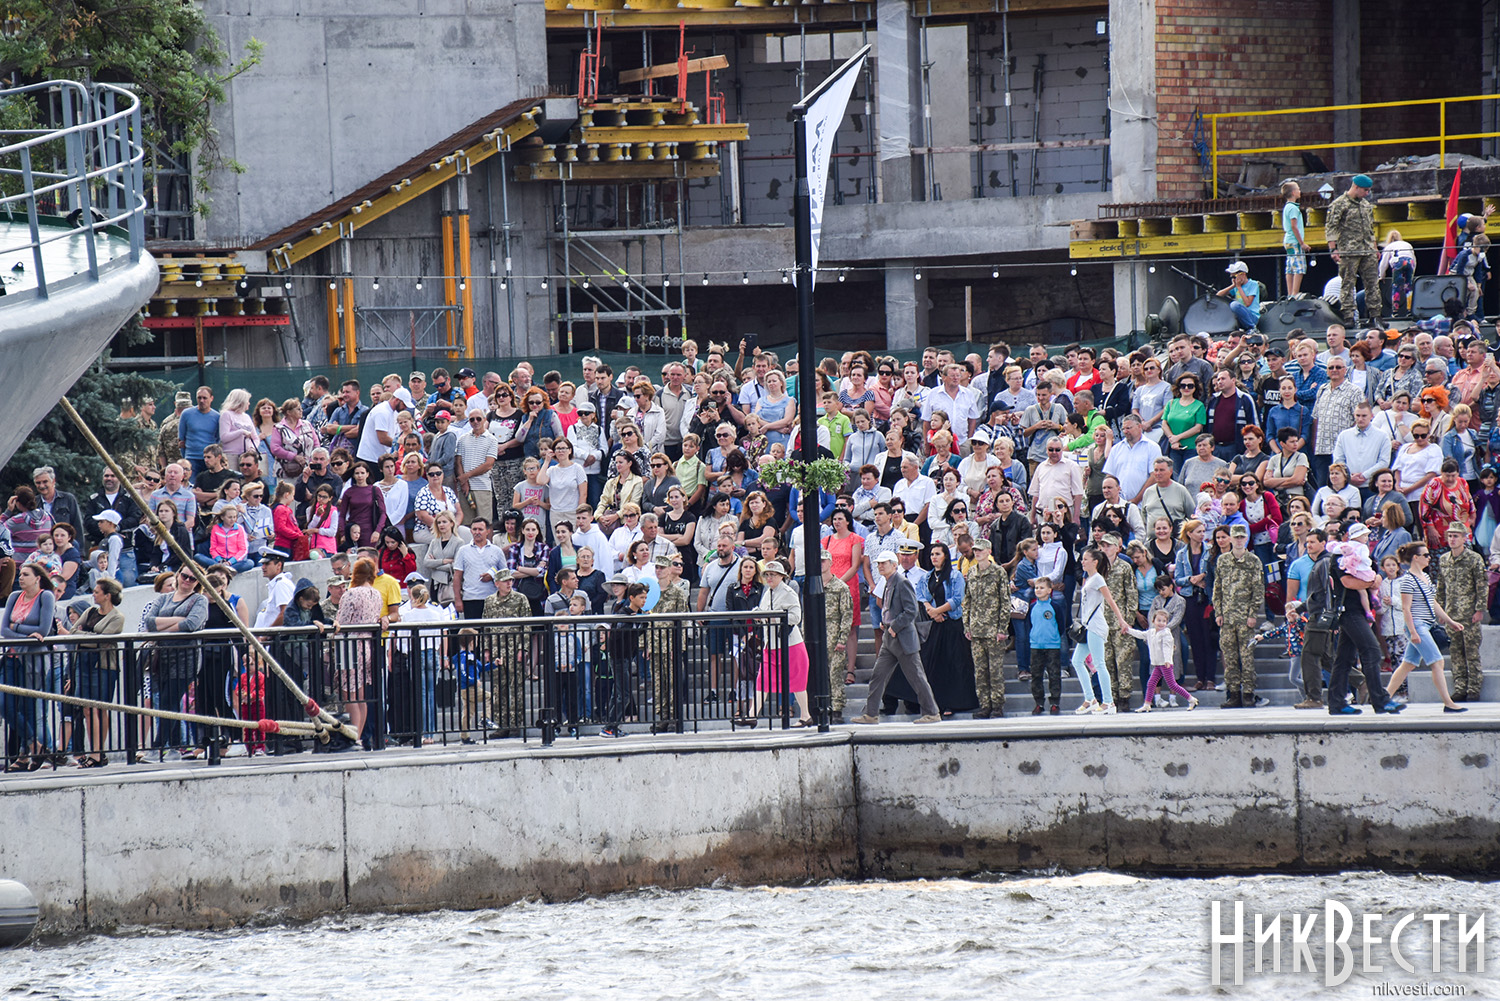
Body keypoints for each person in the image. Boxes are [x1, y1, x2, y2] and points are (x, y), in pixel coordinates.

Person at [851, 552, 941, 725]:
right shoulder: (888, 582)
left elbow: (911, 610)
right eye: (879, 563)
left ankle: (932, 712)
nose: (880, 566)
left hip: (903, 639)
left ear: (894, 564)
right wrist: (886, 624)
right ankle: (870, 714)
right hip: (890, 639)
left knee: (917, 677)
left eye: (884, 563)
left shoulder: (901, 582)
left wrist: (894, 626)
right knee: (878, 676)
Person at [1384, 542, 1467, 712]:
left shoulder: (1425, 577)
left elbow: (1432, 603)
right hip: (1417, 625)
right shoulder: (1408, 580)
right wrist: (1412, 631)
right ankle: (1448, 702)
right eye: (1426, 555)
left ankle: (1384, 699)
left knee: (1408, 664)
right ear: (1416, 558)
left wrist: (1450, 621)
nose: (1429, 558)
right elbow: (1406, 608)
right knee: (1437, 662)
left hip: (1426, 624)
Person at [0, 563, 57, 771]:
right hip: (12, 657)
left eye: (25, 574)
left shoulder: (45, 596)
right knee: (4, 703)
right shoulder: (15, 596)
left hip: (33, 659)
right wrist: (25, 632)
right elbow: (4, 629)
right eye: (20, 574)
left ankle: (24, 756)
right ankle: (35, 745)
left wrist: (16, 627)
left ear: (37, 578)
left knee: (28, 706)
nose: (21, 578)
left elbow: (43, 629)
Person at [1070, 547, 1128, 715]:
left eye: (1085, 559)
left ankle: (1108, 701)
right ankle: (1091, 698)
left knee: (1099, 663)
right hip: (1088, 625)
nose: (1082, 562)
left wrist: (1121, 620)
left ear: (1095, 562)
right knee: (1077, 661)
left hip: (1096, 625)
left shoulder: (1097, 579)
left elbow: (1110, 600)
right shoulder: (1088, 579)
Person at [1213, 524, 1265, 708]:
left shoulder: (1253, 561)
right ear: (1231, 539)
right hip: (1227, 617)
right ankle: (1233, 694)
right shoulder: (1223, 560)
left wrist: (1253, 614)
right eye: (1236, 537)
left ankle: (1248, 693)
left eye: (1242, 537)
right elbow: (1217, 588)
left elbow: (1258, 589)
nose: (1239, 540)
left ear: (1246, 538)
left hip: (1244, 617)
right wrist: (1218, 612)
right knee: (1230, 657)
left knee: (1247, 657)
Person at [1435, 523, 1487, 703]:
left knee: (1471, 652)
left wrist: (1480, 609)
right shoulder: (1444, 559)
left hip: (1469, 613)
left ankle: (1474, 688)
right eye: (1450, 536)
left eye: (1456, 536)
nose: (1452, 539)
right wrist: (1441, 611)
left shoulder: (1474, 559)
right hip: (1451, 613)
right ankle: (1460, 687)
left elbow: (1482, 584)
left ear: (1465, 538)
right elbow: (1441, 586)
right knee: (1455, 652)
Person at [1119, 607, 1199, 712]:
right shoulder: (1151, 632)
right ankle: (1147, 704)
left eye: (1164, 621)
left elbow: (1167, 647)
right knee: (1151, 683)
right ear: (1153, 621)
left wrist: (1167, 660)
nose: (1161, 623)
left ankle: (1191, 699)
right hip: (1158, 664)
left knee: (1172, 685)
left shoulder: (1166, 633)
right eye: (1159, 620)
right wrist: (1128, 630)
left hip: (1165, 664)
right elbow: (1140, 634)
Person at [1324, 174, 1380, 325]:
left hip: (1367, 250)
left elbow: (1370, 229)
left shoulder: (1365, 205)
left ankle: (1375, 315)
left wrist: (1375, 248)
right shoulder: (1339, 204)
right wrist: (1333, 249)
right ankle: (1348, 316)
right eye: (1365, 190)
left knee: (1372, 283)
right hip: (1349, 251)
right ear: (1356, 187)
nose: (1367, 193)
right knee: (1348, 283)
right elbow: (1331, 227)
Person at [962, 538, 1007, 719]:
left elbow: (1005, 601)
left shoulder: (998, 572)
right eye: (975, 550)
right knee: (980, 672)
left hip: (993, 629)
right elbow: (967, 600)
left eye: (980, 550)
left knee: (995, 671)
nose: (977, 553)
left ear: (989, 551)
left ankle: (997, 706)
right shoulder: (972, 572)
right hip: (976, 629)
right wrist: (967, 625)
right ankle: (985, 705)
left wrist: (1002, 628)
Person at [1281, 180, 1310, 296]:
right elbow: (1294, 226)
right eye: (1298, 189)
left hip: (1288, 240)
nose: (1300, 191)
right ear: (1293, 193)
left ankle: (1290, 293)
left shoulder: (1287, 207)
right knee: (1299, 268)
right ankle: (1295, 293)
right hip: (1294, 241)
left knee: (1290, 267)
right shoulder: (1293, 208)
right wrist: (1302, 243)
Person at [1218, 261, 1261, 331]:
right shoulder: (1236, 286)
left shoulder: (1253, 284)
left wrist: (1239, 287)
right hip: (1240, 318)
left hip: (1252, 317)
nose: (1233, 279)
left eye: (1234, 276)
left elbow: (1248, 303)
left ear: (1243, 274)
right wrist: (1233, 286)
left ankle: (1252, 328)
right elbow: (1218, 295)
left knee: (1234, 305)